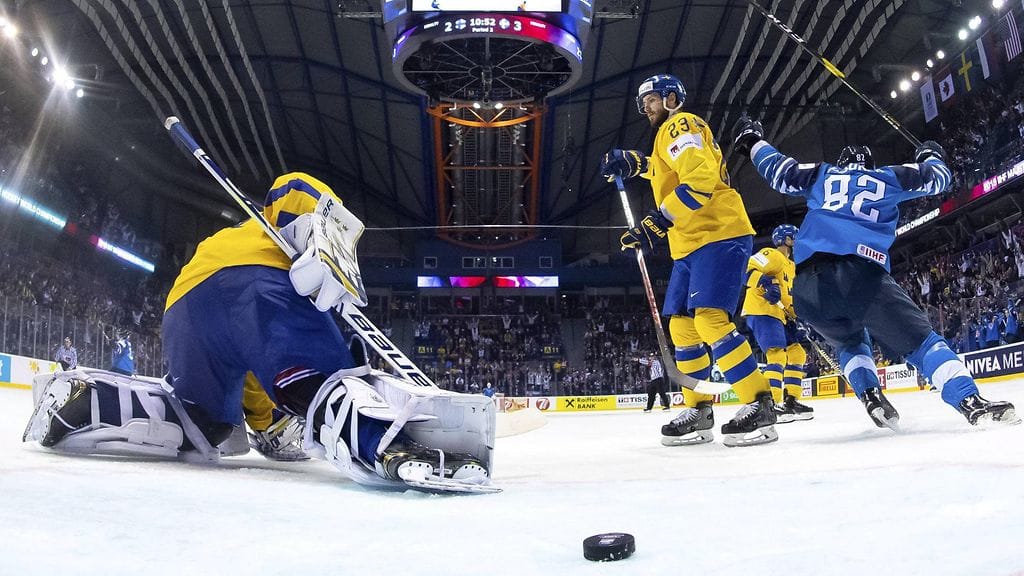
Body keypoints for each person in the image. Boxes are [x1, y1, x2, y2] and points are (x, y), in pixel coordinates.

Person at [25, 172, 494, 492]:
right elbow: (295, 192)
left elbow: (253, 365)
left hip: (185, 308)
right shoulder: (269, 239)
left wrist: (268, 423)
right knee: (319, 377)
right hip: (258, 281)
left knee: (205, 422)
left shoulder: (225, 241)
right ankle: (390, 443)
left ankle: (91, 402)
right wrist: (321, 243)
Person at [733, 117, 1018, 428]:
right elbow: (939, 179)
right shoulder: (886, 177)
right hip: (859, 274)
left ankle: (870, 396)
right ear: (868, 164)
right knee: (924, 343)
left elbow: (780, 170)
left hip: (807, 288)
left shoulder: (823, 175)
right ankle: (970, 401)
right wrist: (929, 155)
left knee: (850, 343)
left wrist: (752, 142)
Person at [601, 74, 777, 447]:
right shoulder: (667, 136)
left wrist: (657, 222)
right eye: (643, 101)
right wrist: (635, 164)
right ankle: (699, 410)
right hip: (689, 243)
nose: (645, 106)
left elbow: (700, 177)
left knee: (710, 321)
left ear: (670, 99)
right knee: (682, 328)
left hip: (718, 232)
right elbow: (668, 169)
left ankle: (760, 402)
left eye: (650, 99)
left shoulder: (681, 123)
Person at [740, 224, 814, 423]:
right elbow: (746, 268)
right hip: (762, 309)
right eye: (794, 237)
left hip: (782, 314)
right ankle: (771, 404)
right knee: (777, 354)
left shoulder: (792, 266)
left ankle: (791, 401)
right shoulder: (771, 253)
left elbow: (789, 297)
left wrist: (797, 319)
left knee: (797, 353)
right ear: (786, 239)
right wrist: (763, 280)